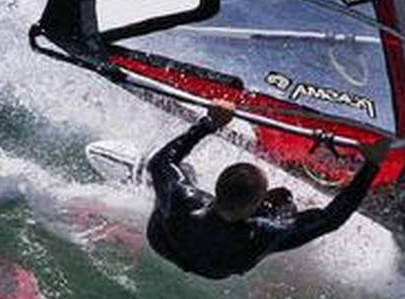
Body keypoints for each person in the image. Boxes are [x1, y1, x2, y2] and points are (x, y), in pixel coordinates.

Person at [143, 104, 382, 280]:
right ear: (254, 204)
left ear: (218, 186)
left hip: (164, 243)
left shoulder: (183, 199)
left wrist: (210, 123)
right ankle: (290, 209)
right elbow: (330, 220)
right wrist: (371, 165)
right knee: (284, 201)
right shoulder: (262, 234)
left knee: (179, 171)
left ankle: (146, 182)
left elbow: (162, 161)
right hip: (215, 270)